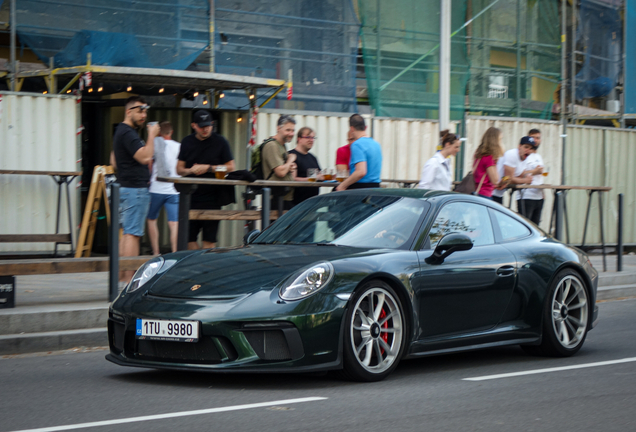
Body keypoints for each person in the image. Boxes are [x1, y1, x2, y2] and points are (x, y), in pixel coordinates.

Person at [112, 96, 158, 285]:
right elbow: (146, 157)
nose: (144, 115)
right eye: (140, 110)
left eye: (145, 111)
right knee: (133, 234)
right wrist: (153, 134)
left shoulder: (120, 131)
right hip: (134, 190)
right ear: (128, 111)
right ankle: (129, 280)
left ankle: (122, 278)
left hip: (125, 188)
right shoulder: (129, 133)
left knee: (126, 233)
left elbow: (113, 162)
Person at [177, 110, 235, 249]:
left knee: (209, 240)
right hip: (190, 197)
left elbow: (231, 167)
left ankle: (206, 268)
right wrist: (190, 170)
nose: (205, 129)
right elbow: (179, 169)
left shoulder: (220, 141)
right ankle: (198, 264)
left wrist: (208, 168)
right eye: (201, 126)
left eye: (208, 125)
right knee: (188, 238)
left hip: (213, 198)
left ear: (212, 124)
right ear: (194, 125)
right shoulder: (187, 141)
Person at [146, 121, 180, 255]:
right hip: (174, 189)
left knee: (151, 220)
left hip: (156, 188)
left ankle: (156, 252)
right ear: (171, 132)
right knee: (174, 224)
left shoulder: (154, 144)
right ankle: (175, 252)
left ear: (159, 132)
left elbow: (149, 163)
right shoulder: (179, 146)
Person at [335, 114, 382, 191]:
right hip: (375, 187)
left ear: (352, 129)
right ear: (365, 127)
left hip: (360, 188)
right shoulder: (376, 144)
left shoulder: (357, 144)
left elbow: (361, 172)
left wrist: (342, 186)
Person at [261, 115, 298, 210]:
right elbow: (280, 172)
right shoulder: (272, 145)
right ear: (278, 128)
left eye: (293, 130)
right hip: (277, 198)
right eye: (288, 130)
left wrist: (290, 166)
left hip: (284, 196)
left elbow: (283, 168)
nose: (291, 133)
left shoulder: (282, 145)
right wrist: (290, 159)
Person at [491, 136, 535, 204]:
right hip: (491, 192)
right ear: (519, 146)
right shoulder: (512, 155)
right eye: (526, 147)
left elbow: (521, 175)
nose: (528, 150)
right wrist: (525, 180)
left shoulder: (525, 158)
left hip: (499, 193)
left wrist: (526, 176)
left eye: (531, 148)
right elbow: (508, 178)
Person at [517, 130, 545, 224]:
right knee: (525, 225)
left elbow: (540, 175)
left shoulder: (538, 156)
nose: (536, 140)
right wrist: (535, 171)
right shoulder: (524, 155)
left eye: (538, 138)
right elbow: (519, 174)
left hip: (538, 196)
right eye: (533, 137)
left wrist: (543, 193)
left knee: (536, 227)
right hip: (526, 195)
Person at [289, 127, 322, 205]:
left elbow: (319, 176)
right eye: (308, 137)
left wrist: (330, 177)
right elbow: (292, 180)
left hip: (312, 204)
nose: (311, 140)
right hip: (296, 204)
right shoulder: (292, 156)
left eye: (313, 137)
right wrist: (310, 180)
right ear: (299, 139)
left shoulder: (313, 157)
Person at [472, 127, 505, 200]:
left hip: (476, 190)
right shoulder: (489, 157)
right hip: (484, 194)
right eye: (500, 139)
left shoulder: (478, 153)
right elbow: (495, 180)